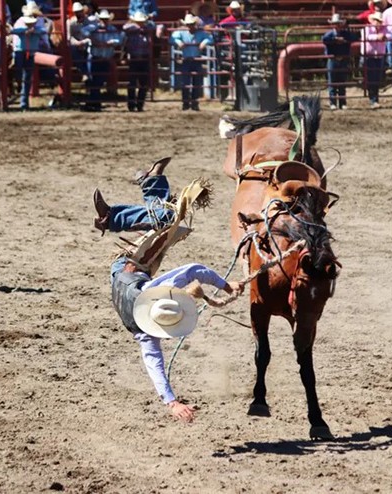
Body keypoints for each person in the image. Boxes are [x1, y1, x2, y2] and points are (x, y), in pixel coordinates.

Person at [93, 158, 244, 422]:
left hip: (131, 265)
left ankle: (114, 216)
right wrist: (171, 402)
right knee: (169, 218)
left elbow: (194, 270)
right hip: (131, 274)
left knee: (167, 218)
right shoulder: (143, 331)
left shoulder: (155, 291)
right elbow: (155, 366)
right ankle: (141, 190)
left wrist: (224, 284)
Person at [171, 14, 213, 111]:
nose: (190, 26)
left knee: (196, 83)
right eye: (189, 24)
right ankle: (185, 103)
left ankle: (194, 103)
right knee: (185, 83)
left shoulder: (200, 32)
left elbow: (210, 38)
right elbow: (172, 38)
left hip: (196, 60)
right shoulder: (181, 32)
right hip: (186, 59)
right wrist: (178, 42)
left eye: (192, 24)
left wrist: (204, 42)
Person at [86, 9, 125, 111]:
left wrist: (108, 43)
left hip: (105, 58)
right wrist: (95, 41)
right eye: (103, 19)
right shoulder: (94, 28)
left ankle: (93, 102)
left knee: (98, 81)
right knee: (95, 81)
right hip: (95, 57)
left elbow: (119, 40)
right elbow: (84, 32)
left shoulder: (111, 29)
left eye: (106, 19)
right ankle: (94, 103)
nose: (104, 21)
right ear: (99, 19)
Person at [322, 13, 358, 110]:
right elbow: (324, 39)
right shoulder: (330, 34)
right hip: (333, 59)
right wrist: (335, 40)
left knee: (342, 82)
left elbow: (354, 37)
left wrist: (343, 40)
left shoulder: (345, 34)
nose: (337, 25)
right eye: (335, 24)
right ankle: (333, 103)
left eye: (338, 23)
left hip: (342, 59)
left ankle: (342, 102)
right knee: (332, 83)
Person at [12, 14, 46, 110]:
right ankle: (18, 86)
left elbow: (44, 31)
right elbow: (13, 31)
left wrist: (33, 31)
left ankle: (24, 103)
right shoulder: (21, 28)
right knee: (19, 73)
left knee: (27, 78)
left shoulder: (38, 30)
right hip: (20, 52)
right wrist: (24, 31)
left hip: (29, 54)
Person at [123, 11, 152, 112]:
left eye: (142, 22)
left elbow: (153, 26)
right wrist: (137, 27)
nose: (140, 23)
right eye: (138, 21)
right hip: (134, 58)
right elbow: (125, 27)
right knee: (132, 83)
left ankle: (140, 105)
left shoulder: (146, 28)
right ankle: (131, 104)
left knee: (143, 83)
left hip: (144, 57)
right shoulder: (131, 29)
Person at [362, 11, 386, 109]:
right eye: (376, 20)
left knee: (376, 79)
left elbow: (388, 36)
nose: (377, 23)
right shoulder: (367, 29)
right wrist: (378, 37)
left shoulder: (383, 30)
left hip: (378, 57)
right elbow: (367, 37)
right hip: (369, 56)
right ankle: (373, 100)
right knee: (371, 79)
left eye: (379, 21)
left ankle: (374, 99)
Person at [68, 2, 92, 77]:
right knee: (73, 50)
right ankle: (85, 72)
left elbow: (91, 34)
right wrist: (77, 43)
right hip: (76, 44)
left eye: (80, 11)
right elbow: (69, 37)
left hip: (86, 43)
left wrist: (84, 42)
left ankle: (87, 73)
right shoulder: (70, 22)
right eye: (77, 12)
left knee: (90, 52)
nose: (79, 14)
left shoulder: (88, 21)